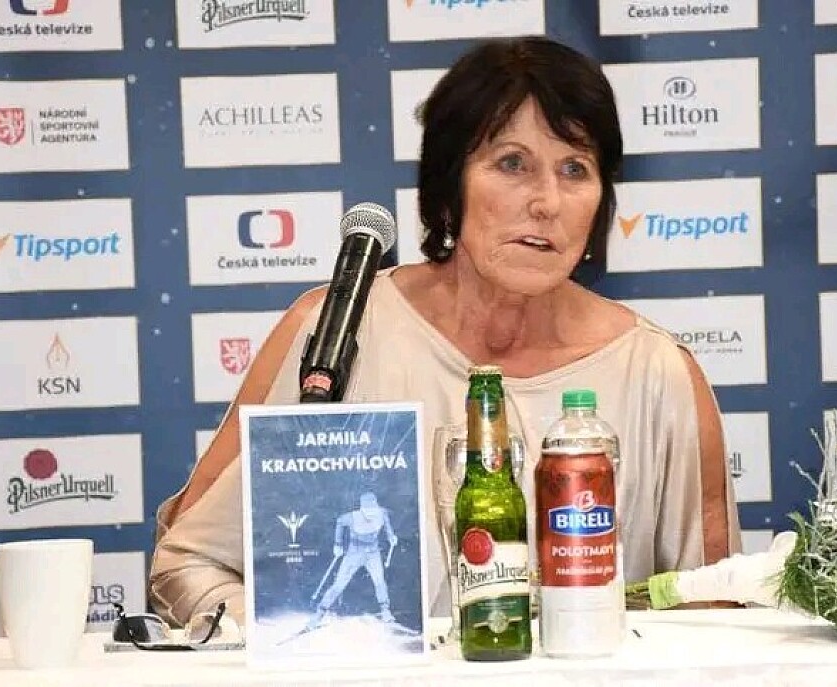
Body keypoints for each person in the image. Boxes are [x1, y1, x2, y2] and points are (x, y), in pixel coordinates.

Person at [149, 35, 742, 626]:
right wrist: (302, 644)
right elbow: (187, 563)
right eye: (512, 164)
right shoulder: (335, 333)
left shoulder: (657, 373)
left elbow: (715, 612)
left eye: (574, 169)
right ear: (449, 185)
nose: (547, 202)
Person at [305, 492, 398, 630]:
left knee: (379, 582)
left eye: (373, 509)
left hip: (373, 553)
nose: (371, 513)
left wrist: (391, 536)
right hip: (354, 554)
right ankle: (318, 615)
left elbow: (387, 524)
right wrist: (337, 544)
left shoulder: (381, 513)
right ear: (362, 508)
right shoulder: (351, 517)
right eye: (368, 510)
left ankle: (385, 611)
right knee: (339, 585)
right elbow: (339, 522)